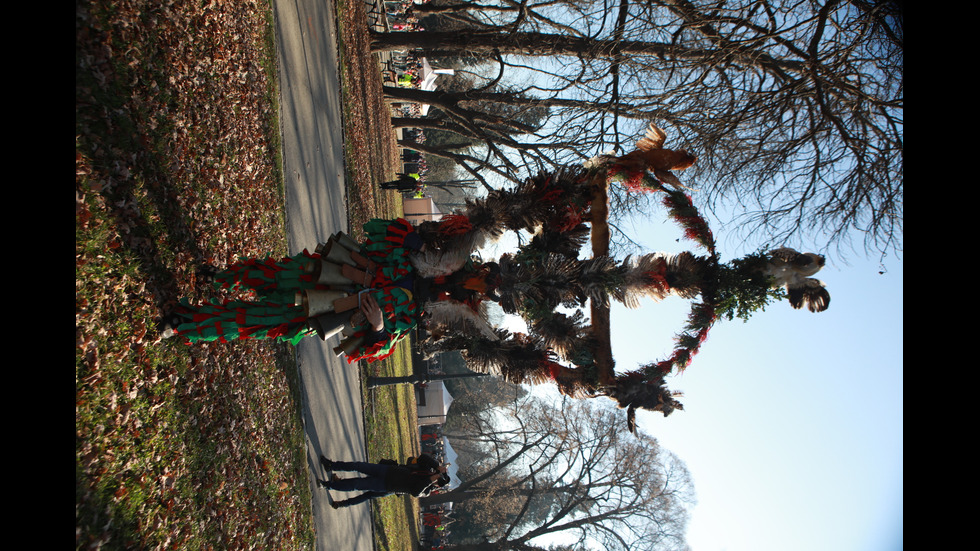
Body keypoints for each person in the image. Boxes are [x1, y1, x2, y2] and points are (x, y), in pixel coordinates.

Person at [317, 454, 450, 508]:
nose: (438, 478)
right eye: (440, 476)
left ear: (438, 487)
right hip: (389, 470)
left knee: (357, 484)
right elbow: (421, 458)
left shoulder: (427, 490)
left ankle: (328, 485)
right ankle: (332, 465)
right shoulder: (428, 468)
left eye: (439, 482)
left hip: (387, 485)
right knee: (358, 465)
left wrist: (432, 479)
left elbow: (416, 491)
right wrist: (436, 465)